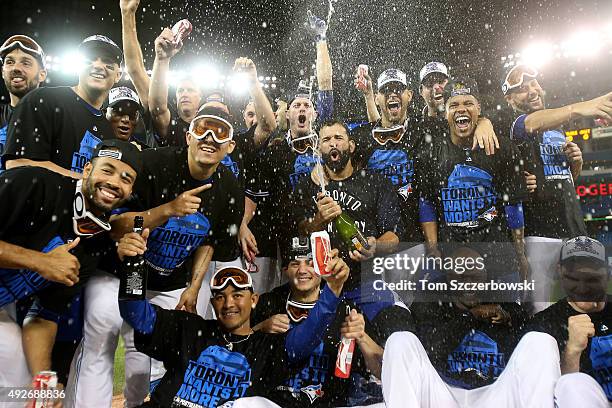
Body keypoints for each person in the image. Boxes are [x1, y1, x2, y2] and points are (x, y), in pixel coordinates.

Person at [67, 108, 244, 406]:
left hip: (170, 280)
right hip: (120, 270)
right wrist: (169, 210)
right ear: (188, 136)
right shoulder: (154, 163)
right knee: (101, 337)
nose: (210, 138)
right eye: (202, 129)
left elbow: (210, 242)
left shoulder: (229, 188)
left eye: (221, 132)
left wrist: (193, 287)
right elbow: (112, 224)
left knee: (145, 362)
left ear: (230, 146)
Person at [116, 230, 351, 408]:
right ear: (211, 303)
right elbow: (136, 315)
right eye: (220, 297)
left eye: (238, 295)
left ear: (254, 300)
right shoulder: (189, 328)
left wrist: (332, 289)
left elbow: (307, 337)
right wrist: (132, 267)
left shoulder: (266, 348)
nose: (229, 304)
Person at [0, 140, 141, 391]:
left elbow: (43, 317)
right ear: (86, 170)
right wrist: (40, 261)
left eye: (126, 178)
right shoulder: (33, 184)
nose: (114, 183)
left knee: (21, 379)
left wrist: (43, 378)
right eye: (107, 170)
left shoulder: (94, 240)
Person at [382, 247, 561, 407]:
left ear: (485, 277)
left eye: (475, 277)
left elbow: (531, 347)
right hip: (443, 391)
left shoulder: (502, 304)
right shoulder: (431, 305)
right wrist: (471, 316)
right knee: (400, 340)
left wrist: (510, 317)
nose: (469, 282)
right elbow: (432, 348)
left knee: (541, 341)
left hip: (494, 394)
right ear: (448, 278)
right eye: (461, 277)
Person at [502, 64, 612, 311]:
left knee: (587, 309)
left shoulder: (557, 127)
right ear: (509, 99)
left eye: (534, 84)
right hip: (542, 234)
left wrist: (576, 164)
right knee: (544, 311)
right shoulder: (515, 125)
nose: (532, 91)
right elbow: (532, 124)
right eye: (521, 89)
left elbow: (560, 180)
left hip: (575, 230)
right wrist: (580, 107)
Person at [251, 237, 409, 407]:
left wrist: (362, 337)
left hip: (331, 403)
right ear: (284, 270)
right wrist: (260, 328)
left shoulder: (347, 309)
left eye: (311, 264)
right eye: (295, 264)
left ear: (323, 269)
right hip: (274, 402)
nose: (303, 270)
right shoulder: (270, 303)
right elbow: (233, 346)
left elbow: (381, 371)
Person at [417, 79, 529, 283]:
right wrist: (433, 248)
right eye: (454, 105)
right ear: (445, 113)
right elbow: (427, 202)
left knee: (508, 313)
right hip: (450, 253)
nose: (461, 109)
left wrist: (520, 253)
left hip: (496, 253)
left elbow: (513, 203)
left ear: (479, 108)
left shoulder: (502, 147)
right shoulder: (431, 152)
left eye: (468, 103)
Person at [3, 35, 123, 178]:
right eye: (88, 60)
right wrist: (84, 181)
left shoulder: (108, 130)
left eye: (108, 62)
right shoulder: (42, 100)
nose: (97, 65)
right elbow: (18, 163)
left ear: (118, 75)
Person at [525, 236, 610, 406]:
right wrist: (572, 352)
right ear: (560, 272)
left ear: (607, 275)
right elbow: (547, 397)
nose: (583, 288)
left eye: (592, 279)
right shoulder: (542, 326)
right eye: (573, 279)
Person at [0, 34, 47, 171]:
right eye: (9, 62)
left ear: (42, 74)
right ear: (2, 72)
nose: (16, 68)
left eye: (25, 62)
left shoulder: (59, 121)